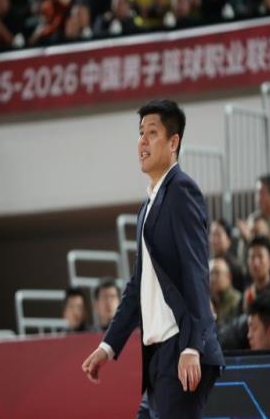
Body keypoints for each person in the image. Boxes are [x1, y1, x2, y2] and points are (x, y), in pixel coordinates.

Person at [82, 99, 224, 419]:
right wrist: (108, 346)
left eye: (152, 133)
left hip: (182, 351)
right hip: (158, 359)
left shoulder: (181, 190)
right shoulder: (147, 206)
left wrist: (192, 346)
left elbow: (195, 271)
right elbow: (137, 287)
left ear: (173, 143)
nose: (142, 141)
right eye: (140, 133)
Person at [209, 257, 242, 328]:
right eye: (211, 274)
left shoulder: (237, 301)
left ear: (228, 277)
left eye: (217, 273)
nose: (213, 278)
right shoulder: (208, 301)